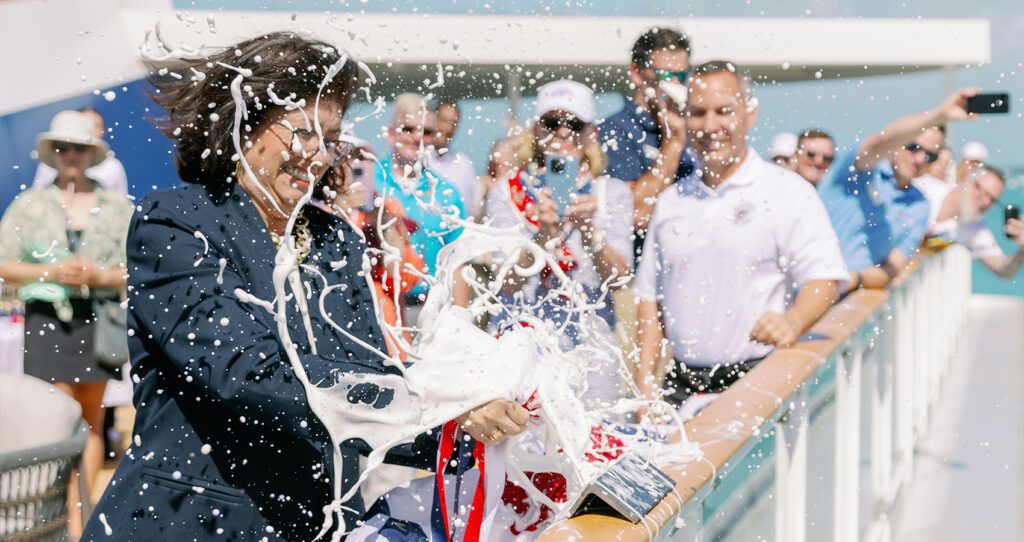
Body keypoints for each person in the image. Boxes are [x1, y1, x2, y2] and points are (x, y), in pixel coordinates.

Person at [82, 33, 527, 541]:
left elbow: (365, 382)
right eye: (302, 132)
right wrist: (434, 402)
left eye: (329, 136)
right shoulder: (177, 222)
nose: (316, 155)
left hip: (313, 525)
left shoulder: (334, 239)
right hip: (190, 523)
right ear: (244, 122)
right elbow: (248, 371)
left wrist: (471, 428)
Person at [632, 61, 847, 410]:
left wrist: (791, 322)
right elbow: (650, 299)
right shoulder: (672, 200)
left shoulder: (786, 191)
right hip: (678, 388)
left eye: (724, 111)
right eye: (698, 113)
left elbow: (824, 277)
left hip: (757, 379)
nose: (710, 125)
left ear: (750, 114)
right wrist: (644, 384)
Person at [0, 110, 133, 534]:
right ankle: (57, 512)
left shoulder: (116, 206)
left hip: (97, 319)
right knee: (57, 415)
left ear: (90, 152)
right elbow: (5, 263)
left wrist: (99, 277)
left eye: (78, 147)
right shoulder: (30, 204)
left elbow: (137, 268)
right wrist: (53, 273)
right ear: (52, 153)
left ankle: (80, 517)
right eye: (62, 147)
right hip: (46, 321)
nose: (70, 154)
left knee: (91, 418)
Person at [484, 79, 634, 404]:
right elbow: (504, 282)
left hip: (590, 357)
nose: (563, 134)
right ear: (537, 130)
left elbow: (620, 279)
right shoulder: (506, 194)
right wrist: (540, 238)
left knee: (593, 449)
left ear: (590, 133)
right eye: (553, 123)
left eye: (574, 124)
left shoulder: (611, 194)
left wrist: (591, 233)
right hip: (521, 351)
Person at [819, 90, 977, 292]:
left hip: (847, 302)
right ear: (898, 144)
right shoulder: (860, 171)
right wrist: (939, 115)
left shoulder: (920, 205)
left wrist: (852, 280)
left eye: (930, 155)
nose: (920, 159)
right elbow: (879, 142)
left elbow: (892, 268)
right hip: (803, 291)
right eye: (913, 147)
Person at [599, 27, 697, 258]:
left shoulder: (698, 129)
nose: (673, 83)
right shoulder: (614, 131)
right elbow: (634, 214)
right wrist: (673, 145)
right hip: (641, 269)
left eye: (682, 75)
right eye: (663, 75)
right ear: (636, 73)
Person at [375, 93, 466, 305]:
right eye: (408, 128)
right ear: (390, 134)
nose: (417, 137)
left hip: (431, 309)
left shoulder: (447, 194)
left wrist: (462, 319)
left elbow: (458, 263)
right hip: (380, 306)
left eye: (426, 132)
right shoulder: (371, 184)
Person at [921, 165, 1024, 278]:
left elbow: (1005, 271)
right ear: (965, 180)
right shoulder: (926, 189)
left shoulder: (976, 231)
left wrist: (1022, 249)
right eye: (982, 191)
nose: (985, 202)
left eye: (992, 200)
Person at [33, 107, 130, 195]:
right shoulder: (47, 167)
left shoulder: (114, 167)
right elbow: (36, 202)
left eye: (80, 148)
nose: (71, 154)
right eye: (62, 147)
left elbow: (122, 205)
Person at [426, 99, 479, 216]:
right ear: (432, 119)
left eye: (453, 123)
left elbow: (472, 210)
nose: (448, 128)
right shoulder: (418, 160)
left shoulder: (464, 164)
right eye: (444, 121)